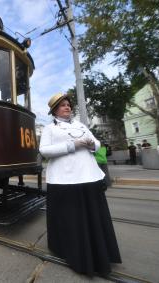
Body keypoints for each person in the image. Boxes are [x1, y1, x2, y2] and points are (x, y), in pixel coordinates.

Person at [39, 93, 121, 276]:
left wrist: (92, 144)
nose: (67, 107)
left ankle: (98, 252)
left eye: (68, 105)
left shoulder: (80, 125)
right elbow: (44, 150)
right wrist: (72, 145)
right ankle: (72, 252)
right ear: (54, 110)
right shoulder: (49, 129)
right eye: (62, 106)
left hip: (89, 177)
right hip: (65, 180)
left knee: (94, 217)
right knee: (72, 219)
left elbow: (97, 144)